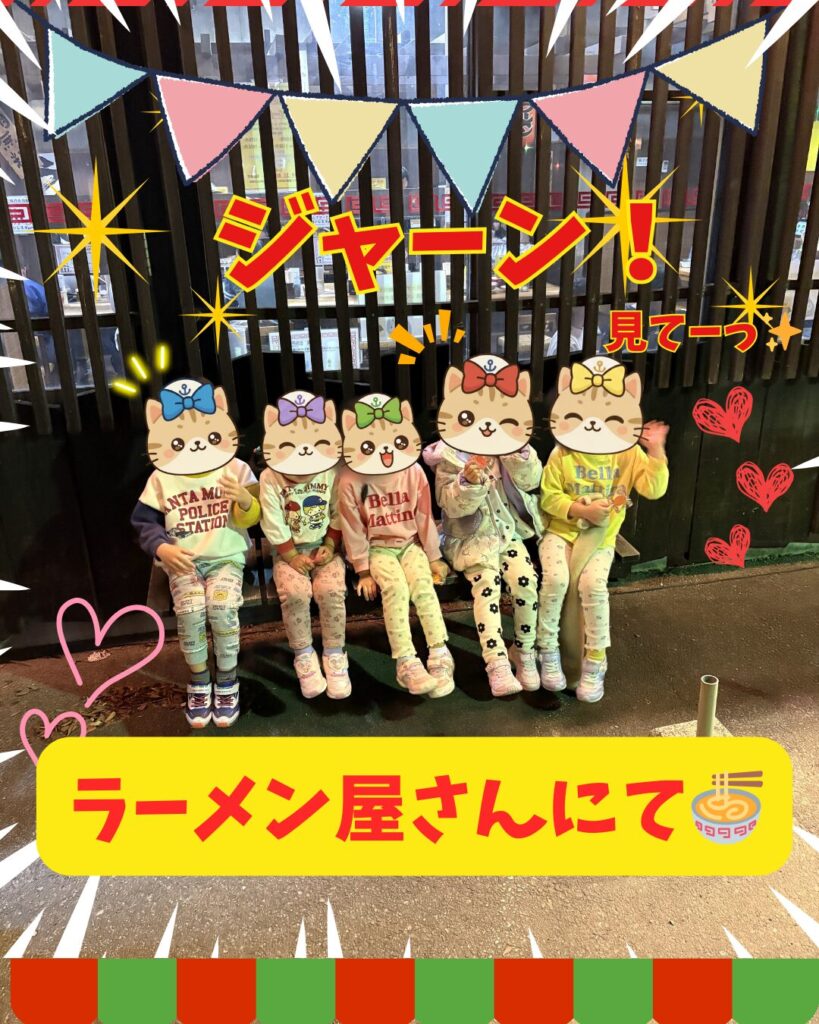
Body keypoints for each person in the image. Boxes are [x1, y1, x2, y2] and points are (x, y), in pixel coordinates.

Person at [537, 357, 669, 703]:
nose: (594, 423)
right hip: (560, 533)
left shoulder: (627, 454)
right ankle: (547, 649)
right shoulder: (562, 453)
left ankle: (595, 660)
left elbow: (654, 489)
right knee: (555, 580)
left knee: (593, 585)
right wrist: (581, 510)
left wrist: (656, 450)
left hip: (602, 539)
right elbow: (548, 497)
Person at [130, 378, 259, 728]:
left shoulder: (236, 469)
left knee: (221, 608)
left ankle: (227, 679)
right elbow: (143, 522)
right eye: (178, 441)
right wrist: (161, 547)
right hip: (184, 563)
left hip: (226, 558)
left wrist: (244, 500)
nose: (197, 444)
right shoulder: (161, 478)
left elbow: (254, 516)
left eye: (211, 435)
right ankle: (200, 680)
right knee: (189, 611)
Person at [423, 355, 544, 697]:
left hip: (507, 534)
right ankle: (497, 663)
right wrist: (470, 483)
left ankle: (524, 651)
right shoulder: (450, 457)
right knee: (487, 588)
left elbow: (532, 481)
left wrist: (520, 454)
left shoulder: (510, 447)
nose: (487, 426)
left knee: (526, 582)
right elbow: (449, 504)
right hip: (470, 540)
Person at [338, 393, 454, 697]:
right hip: (377, 549)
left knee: (423, 586)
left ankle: (439, 653)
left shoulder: (413, 471)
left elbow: (425, 516)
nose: (385, 449)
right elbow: (352, 528)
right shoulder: (351, 479)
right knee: (396, 589)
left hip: (410, 544)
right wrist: (363, 570)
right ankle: (406, 661)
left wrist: (433, 556)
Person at [259, 391, 351, 699]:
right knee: (296, 593)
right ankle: (304, 654)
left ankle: (334, 653)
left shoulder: (331, 470)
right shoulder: (270, 477)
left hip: (324, 546)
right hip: (288, 552)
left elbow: (339, 510)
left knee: (331, 590)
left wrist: (331, 545)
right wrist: (290, 555)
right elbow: (272, 520)